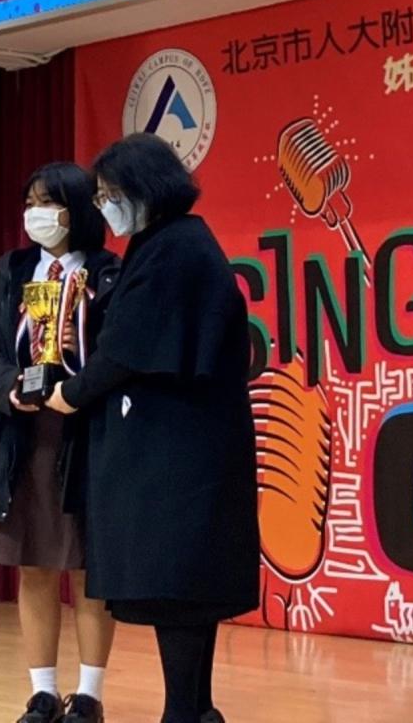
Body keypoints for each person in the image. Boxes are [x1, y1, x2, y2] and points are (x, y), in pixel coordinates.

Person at [44, 134, 260, 723]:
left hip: (179, 453)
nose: (105, 207)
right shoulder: (168, 243)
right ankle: (196, 710)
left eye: (111, 194)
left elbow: (126, 347)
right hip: (186, 445)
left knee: (178, 587)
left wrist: (70, 393)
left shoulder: (174, 250)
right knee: (186, 589)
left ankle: (184, 712)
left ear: (146, 188)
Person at [0, 162, 121, 723]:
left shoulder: (108, 275)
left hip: (85, 436)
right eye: (29, 202)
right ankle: (43, 692)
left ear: (78, 210)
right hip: (21, 436)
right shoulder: (10, 273)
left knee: (88, 568)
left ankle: (90, 694)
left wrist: (80, 357)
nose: (36, 213)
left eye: (48, 202)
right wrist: (8, 386)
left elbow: (124, 354)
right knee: (32, 563)